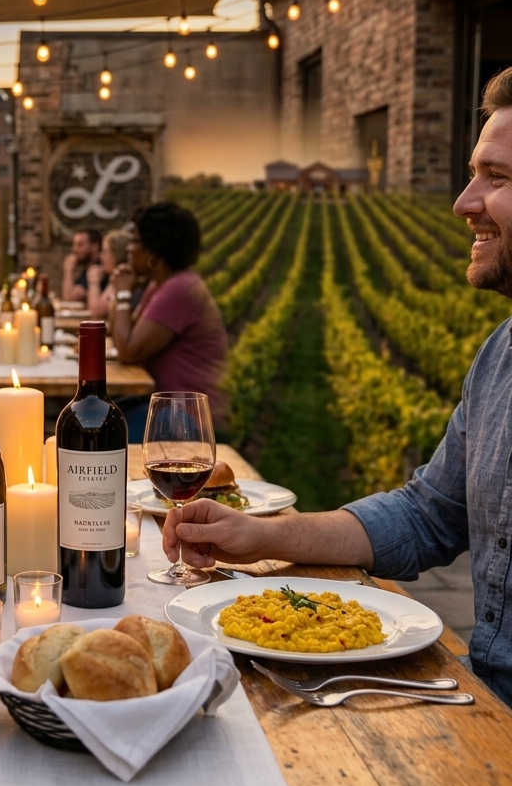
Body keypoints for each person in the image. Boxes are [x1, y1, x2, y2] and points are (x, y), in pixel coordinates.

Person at [162, 67, 512, 707]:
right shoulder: (501, 357)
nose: (464, 203)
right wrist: (261, 537)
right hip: (480, 698)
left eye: (499, 178)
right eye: (473, 173)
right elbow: (428, 514)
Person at [110, 203, 228, 441]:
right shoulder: (161, 285)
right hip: (170, 408)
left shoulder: (180, 290)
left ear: (153, 256)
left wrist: (122, 293)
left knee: (99, 434)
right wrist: (122, 293)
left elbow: (128, 350)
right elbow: (125, 332)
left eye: (134, 242)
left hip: (189, 420)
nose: (129, 250)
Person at [86, 229, 131, 317]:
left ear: (116, 254)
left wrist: (94, 282)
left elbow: (96, 311)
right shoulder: (115, 276)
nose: (100, 256)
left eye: (105, 251)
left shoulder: (123, 277)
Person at [62, 228, 104, 302]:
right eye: (74, 244)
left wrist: (68, 270)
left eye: (80, 245)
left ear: (95, 246)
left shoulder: (99, 268)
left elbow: (70, 298)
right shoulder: (88, 268)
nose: (74, 249)